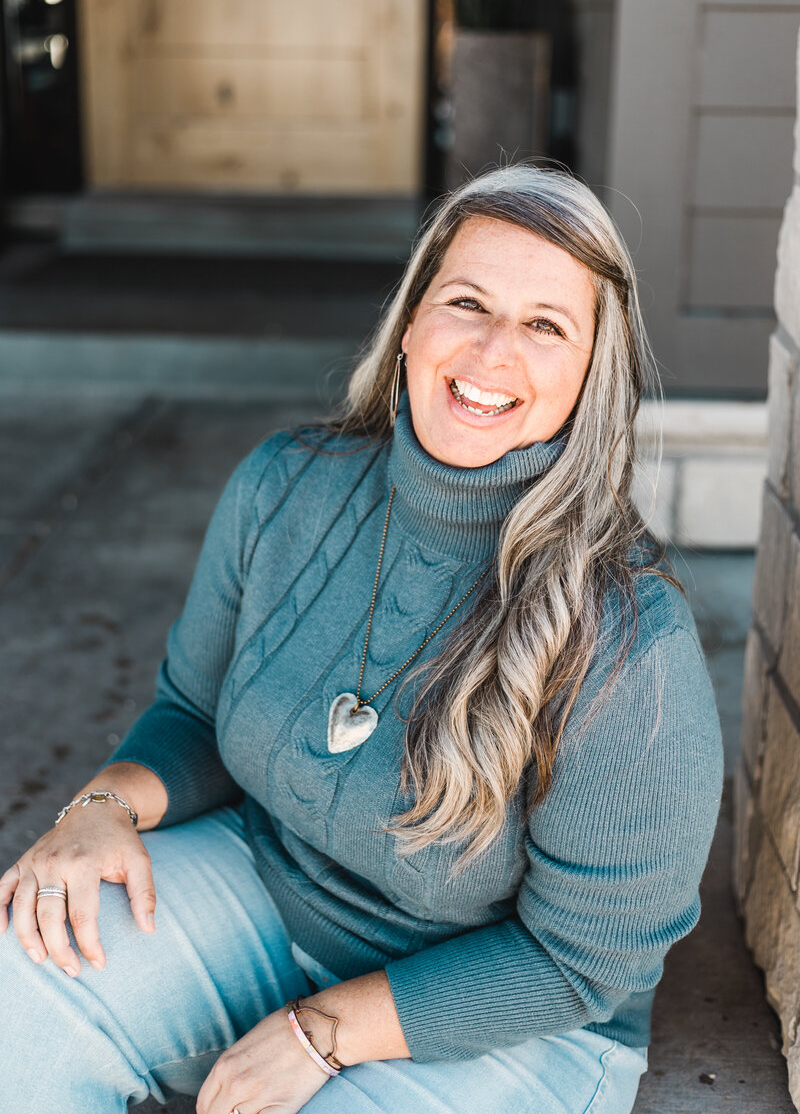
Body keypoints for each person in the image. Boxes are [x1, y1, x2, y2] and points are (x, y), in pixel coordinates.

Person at [0, 165, 722, 1114]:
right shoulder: (284, 489)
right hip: (267, 889)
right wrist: (103, 806)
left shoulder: (632, 638)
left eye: (547, 325)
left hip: (514, 1015)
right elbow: (191, 709)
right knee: (21, 988)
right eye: (467, 302)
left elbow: (582, 960)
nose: (495, 349)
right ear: (412, 324)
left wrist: (324, 1033)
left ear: (592, 373)